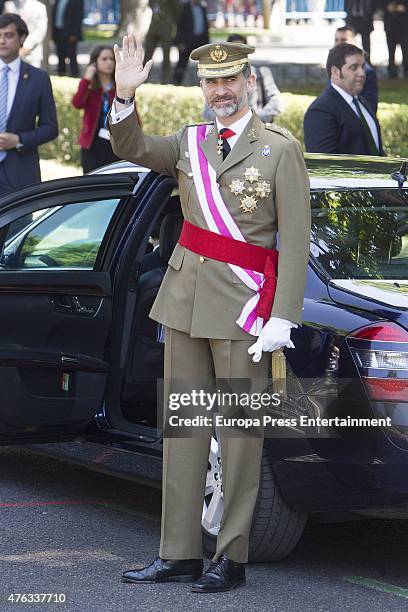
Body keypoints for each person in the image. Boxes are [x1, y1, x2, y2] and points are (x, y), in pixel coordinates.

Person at [108, 36, 310, 593]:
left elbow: (295, 240)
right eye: (210, 82)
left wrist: (283, 316)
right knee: (185, 434)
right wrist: (124, 95)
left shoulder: (278, 149)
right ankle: (178, 554)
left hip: (246, 310)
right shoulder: (189, 141)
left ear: (247, 81)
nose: (219, 91)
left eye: (229, 81)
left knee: (241, 438)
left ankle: (232, 555)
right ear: (201, 87)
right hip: (184, 303)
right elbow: (130, 147)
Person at [0, 13, 58, 197]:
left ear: (22, 38)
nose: (2, 41)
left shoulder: (38, 79)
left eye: (8, 35)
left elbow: (50, 127)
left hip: (20, 176)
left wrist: (18, 140)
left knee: (21, 227)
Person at [303, 43, 384, 156]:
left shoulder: (361, 102)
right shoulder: (320, 110)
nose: (362, 73)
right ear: (335, 72)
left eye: (362, 66)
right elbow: (323, 165)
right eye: (354, 67)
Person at [203, 33, 283, 123]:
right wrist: (227, 121)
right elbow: (207, 110)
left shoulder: (261, 72)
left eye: (240, 50)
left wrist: (255, 120)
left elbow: (276, 101)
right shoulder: (217, 76)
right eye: (233, 50)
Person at [72, 45, 121, 174]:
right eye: (104, 59)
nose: (109, 62)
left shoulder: (120, 87)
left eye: (112, 59)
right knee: (91, 184)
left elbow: (134, 116)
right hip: (92, 145)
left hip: (115, 145)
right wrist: (86, 80)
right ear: (95, 62)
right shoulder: (90, 87)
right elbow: (77, 103)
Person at [334, 24, 378, 113]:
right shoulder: (333, 67)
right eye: (336, 40)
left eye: (343, 40)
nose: (338, 44)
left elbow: (370, 106)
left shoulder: (367, 71)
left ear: (354, 41)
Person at [143, 0, 181, 84]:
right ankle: (143, 77)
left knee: (166, 54)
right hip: (154, 26)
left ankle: (165, 79)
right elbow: (151, 5)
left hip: (166, 26)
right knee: (148, 53)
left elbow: (178, 10)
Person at [172, 0, 209, 85]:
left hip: (200, 39)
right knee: (182, 63)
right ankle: (176, 82)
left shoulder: (202, 7)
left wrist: (207, 42)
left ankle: (204, 82)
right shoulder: (185, 7)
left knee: (204, 63)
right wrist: (180, 42)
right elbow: (179, 25)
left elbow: (205, 25)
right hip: (186, 41)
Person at [4, 0, 47, 68]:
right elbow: (5, 28)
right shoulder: (9, 5)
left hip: (33, 54)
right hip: (12, 54)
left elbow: (40, 31)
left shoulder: (40, 7)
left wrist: (27, 45)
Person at [51, 0, 83, 77]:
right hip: (58, 31)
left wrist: (74, 34)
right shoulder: (58, 1)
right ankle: (61, 73)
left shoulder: (76, 1)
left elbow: (78, 18)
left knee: (71, 55)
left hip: (70, 33)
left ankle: (74, 74)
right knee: (60, 54)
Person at [381, 0, 408, 78]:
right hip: (390, 26)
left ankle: (406, 72)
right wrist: (387, 7)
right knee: (391, 50)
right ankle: (392, 72)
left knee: (406, 50)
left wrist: (404, 7)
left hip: (404, 26)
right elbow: (379, 4)